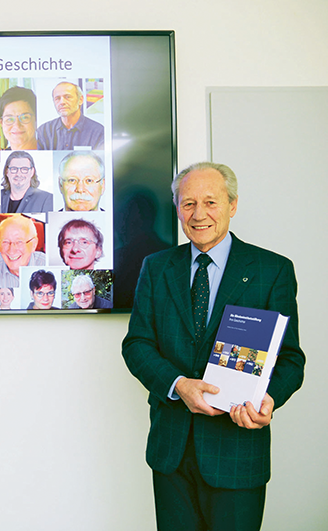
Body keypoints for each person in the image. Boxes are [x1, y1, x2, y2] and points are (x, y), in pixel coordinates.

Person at [121, 162, 305, 531]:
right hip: (171, 450)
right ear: (177, 209)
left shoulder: (272, 270)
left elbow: (290, 360)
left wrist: (268, 399)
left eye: (210, 202)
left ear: (232, 205)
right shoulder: (156, 267)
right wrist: (178, 385)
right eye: (188, 203)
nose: (199, 214)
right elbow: (137, 344)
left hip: (237, 451)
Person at [37, 80, 104, 150]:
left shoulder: (98, 131)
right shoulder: (43, 131)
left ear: (80, 100)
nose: (62, 102)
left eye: (67, 97)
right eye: (57, 98)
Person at [0, 214, 45, 287]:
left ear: (34, 244)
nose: (11, 251)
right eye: (5, 242)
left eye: (19, 242)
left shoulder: (47, 264)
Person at [0, 86, 38, 151]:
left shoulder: (51, 153)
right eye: (9, 119)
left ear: (36, 119)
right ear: (1, 123)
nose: (17, 125)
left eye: (24, 117)